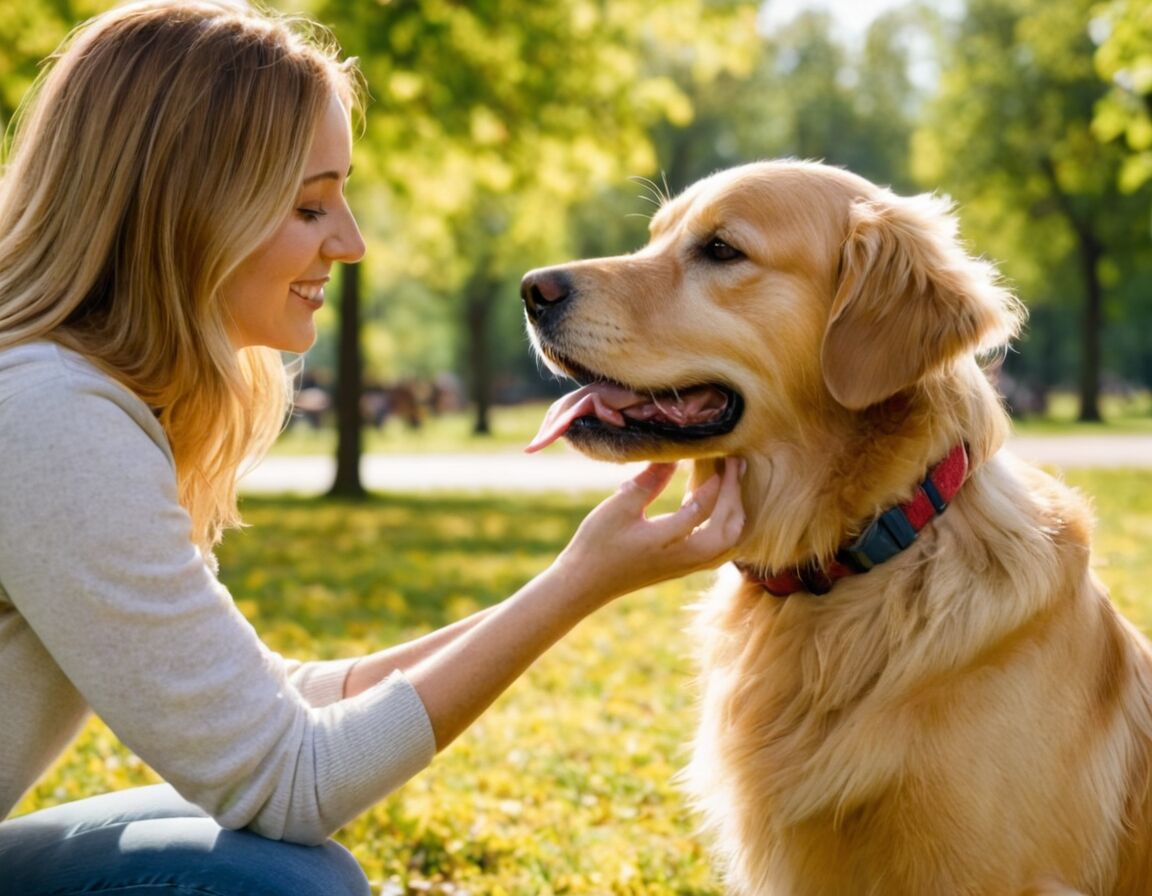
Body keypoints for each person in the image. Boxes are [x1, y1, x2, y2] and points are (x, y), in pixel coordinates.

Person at [0, 2, 746, 893]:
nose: (349, 243)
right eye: (311, 204)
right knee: (279, 884)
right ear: (189, 208)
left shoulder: (62, 396)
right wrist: (577, 584)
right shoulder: (51, 414)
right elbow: (288, 779)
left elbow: (276, 703)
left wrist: (573, 580)